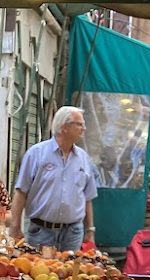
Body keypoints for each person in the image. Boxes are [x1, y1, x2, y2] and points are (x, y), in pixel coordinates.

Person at [10, 107, 98, 253]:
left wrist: (90, 230)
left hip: (73, 233)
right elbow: (21, 192)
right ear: (64, 127)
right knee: (40, 274)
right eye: (80, 124)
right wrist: (15, 226)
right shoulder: (36, 154)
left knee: (71, 274)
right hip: (41, 232)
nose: (84, 128)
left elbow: (87, 197)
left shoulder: (83, 158)